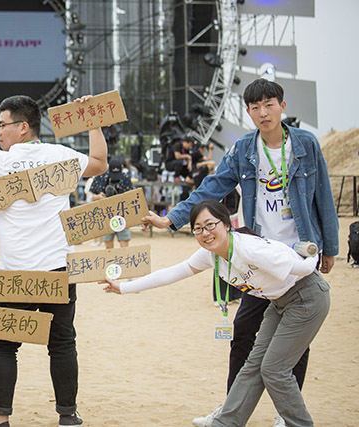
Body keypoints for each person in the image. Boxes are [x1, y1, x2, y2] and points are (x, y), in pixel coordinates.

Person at [142, 78, 339, 427]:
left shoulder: (305, 144)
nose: (263, 113)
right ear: (248, 112)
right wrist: (171, 218)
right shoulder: (244, 149)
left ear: (282, 106)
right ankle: (230, 410)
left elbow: (323, 195)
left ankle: (285, 414)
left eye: (269, 104)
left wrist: (331, 248)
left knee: (295, 342)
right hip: (259, 255)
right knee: (243, 332)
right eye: (255, 107)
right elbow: (211, 188)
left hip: (298, 255)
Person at [0, 94, 108, 427]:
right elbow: (100, 163)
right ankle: (68, 416)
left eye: (3, 125)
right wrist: (93, 121)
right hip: (58, 269)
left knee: (2, 347)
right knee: (62, 343)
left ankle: (0, 419)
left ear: (23, 127)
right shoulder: (59, 154)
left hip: (14, 274)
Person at [103, 199, 330, 426]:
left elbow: (305, 267)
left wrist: (313, 254)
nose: (205, 233)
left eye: (211, 225)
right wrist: (123, 288)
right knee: (253, 366)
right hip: (278, 302)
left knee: (274, 369)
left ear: (227, 225)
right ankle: (226, 423)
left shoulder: (250, 249)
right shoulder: (210, 254)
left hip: (306, 297)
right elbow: (172, 273)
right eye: (198, 228)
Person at [90, 156, 134, 249]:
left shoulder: (125, 177)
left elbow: (132, 197)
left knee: (124, 247)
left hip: (123, 215)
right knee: (109, 248)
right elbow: (92, 197)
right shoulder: (100, 177)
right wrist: (99, 197)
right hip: (106, 215)